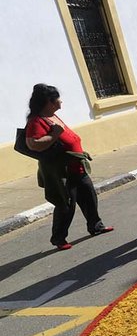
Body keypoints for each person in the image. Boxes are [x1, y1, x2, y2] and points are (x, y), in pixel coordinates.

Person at [25, 84, 113, 250]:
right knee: (66, 205)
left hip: (77, 167)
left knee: (89, 197)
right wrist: (54, 134)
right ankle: (58, 238)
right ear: (49, 102)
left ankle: (96, 226)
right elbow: (33, 144)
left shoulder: (52, 116)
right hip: (62, 172)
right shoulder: (36, 121)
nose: (60, 102)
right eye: (57, 99)